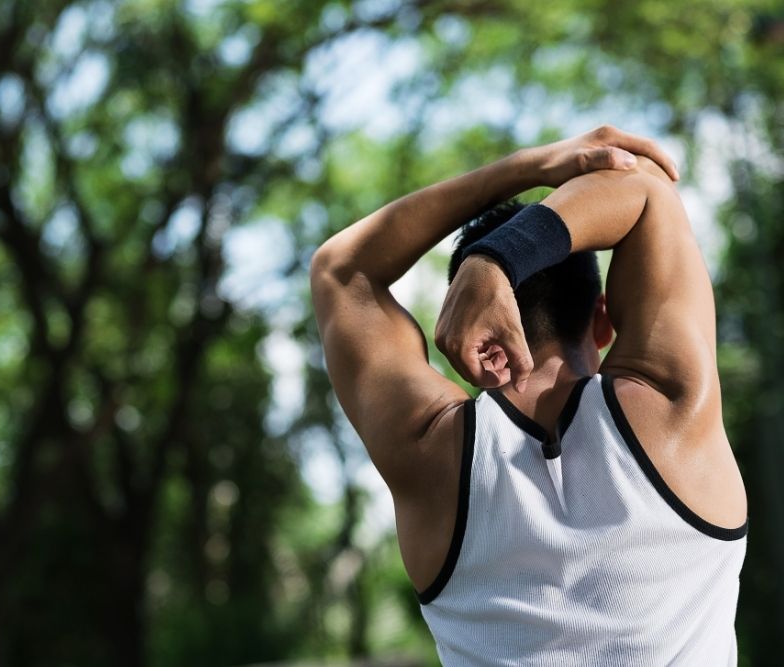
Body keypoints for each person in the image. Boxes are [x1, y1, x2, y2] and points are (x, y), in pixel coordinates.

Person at [309, 126, 748, 665]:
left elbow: (340, 270)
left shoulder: (428, 454)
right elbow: (646, 187)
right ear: (603, 319)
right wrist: (496, 261)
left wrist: (527, 168)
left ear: (470, 329)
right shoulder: (671, 408)